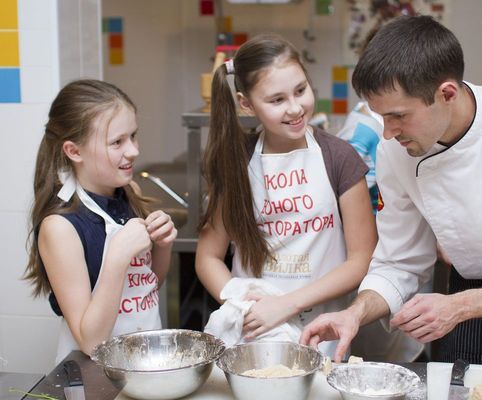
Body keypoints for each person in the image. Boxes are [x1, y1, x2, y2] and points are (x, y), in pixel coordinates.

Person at [301, 15, 482, 367]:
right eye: (382, 118)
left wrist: (459, 306)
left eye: (399, 117)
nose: (388, 133)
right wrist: (355, 312)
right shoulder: (395, 152)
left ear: (447, 94)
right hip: (463, 309)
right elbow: (399, 262)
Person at [195, 33, 377, 357]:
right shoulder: (237, 163)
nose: (295, 108)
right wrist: (242, 302)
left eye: (300, 91)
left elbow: (361, 259)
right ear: (246, 104)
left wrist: (285, 305)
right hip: (252, 337)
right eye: (277, 100)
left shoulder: (340, 158)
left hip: (321, 337)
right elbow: (208, 257)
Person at [24, 79, 177, 363]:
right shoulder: (60, 227)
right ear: (74, 151)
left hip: (144, 360)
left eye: (133, 136)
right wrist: (117, 255)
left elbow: (148, 287)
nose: (133, 151)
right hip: (94, 376)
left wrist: (163, 245)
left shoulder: (129, 192)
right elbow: (91, 342)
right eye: (117, 142)